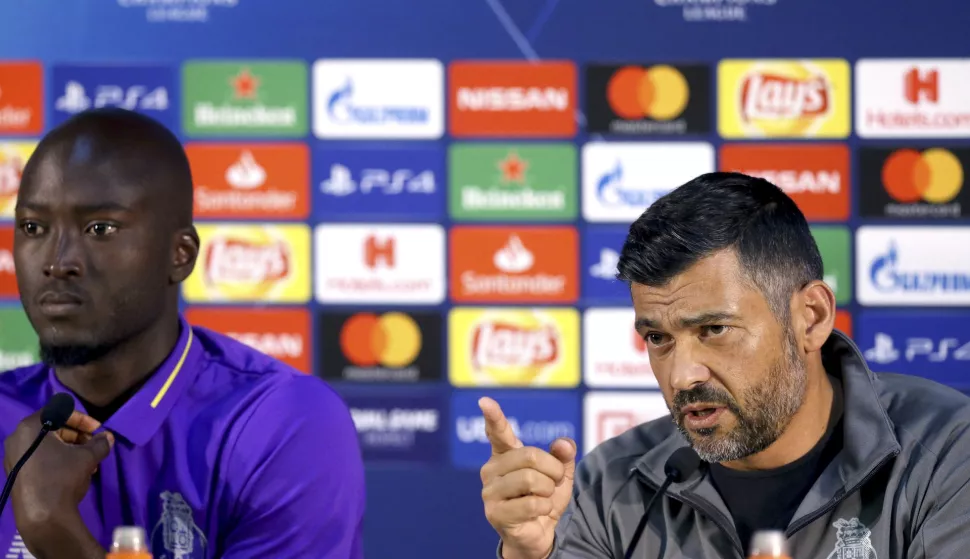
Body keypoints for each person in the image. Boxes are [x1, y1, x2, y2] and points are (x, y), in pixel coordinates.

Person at [479, 172, 970, 559]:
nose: (682, 376)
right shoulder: (611, 484)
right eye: (658, 338)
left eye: (714, 329)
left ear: (811, 317)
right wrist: (532, 554)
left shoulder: (947, 455)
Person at [0, 108, 365, 559]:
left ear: (181, 255)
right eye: (33, 227)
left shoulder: (282, 424)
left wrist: (52, 530)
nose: (57, 262)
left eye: (100, 228)